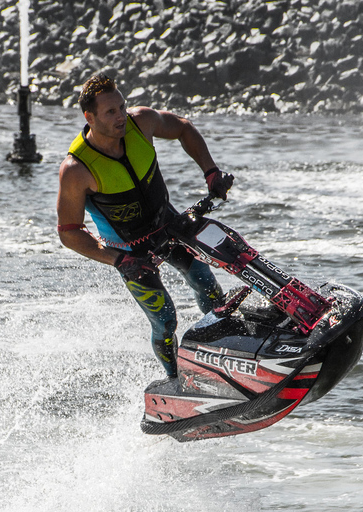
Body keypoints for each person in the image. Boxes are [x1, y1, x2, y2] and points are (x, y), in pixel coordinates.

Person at [56, 73, 234, 378]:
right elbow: (69, 233)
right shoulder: (76, 170)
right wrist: (118, 260)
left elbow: (183, 128)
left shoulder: (141, 123)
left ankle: (230, 344)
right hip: (130, 253)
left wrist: (211, 172)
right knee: (165, 320)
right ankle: (175, 380)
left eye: (122, 107)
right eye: (110, 112)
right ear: (90, 117)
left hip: (168, 225)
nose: (120, 117)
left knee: (204, 280)